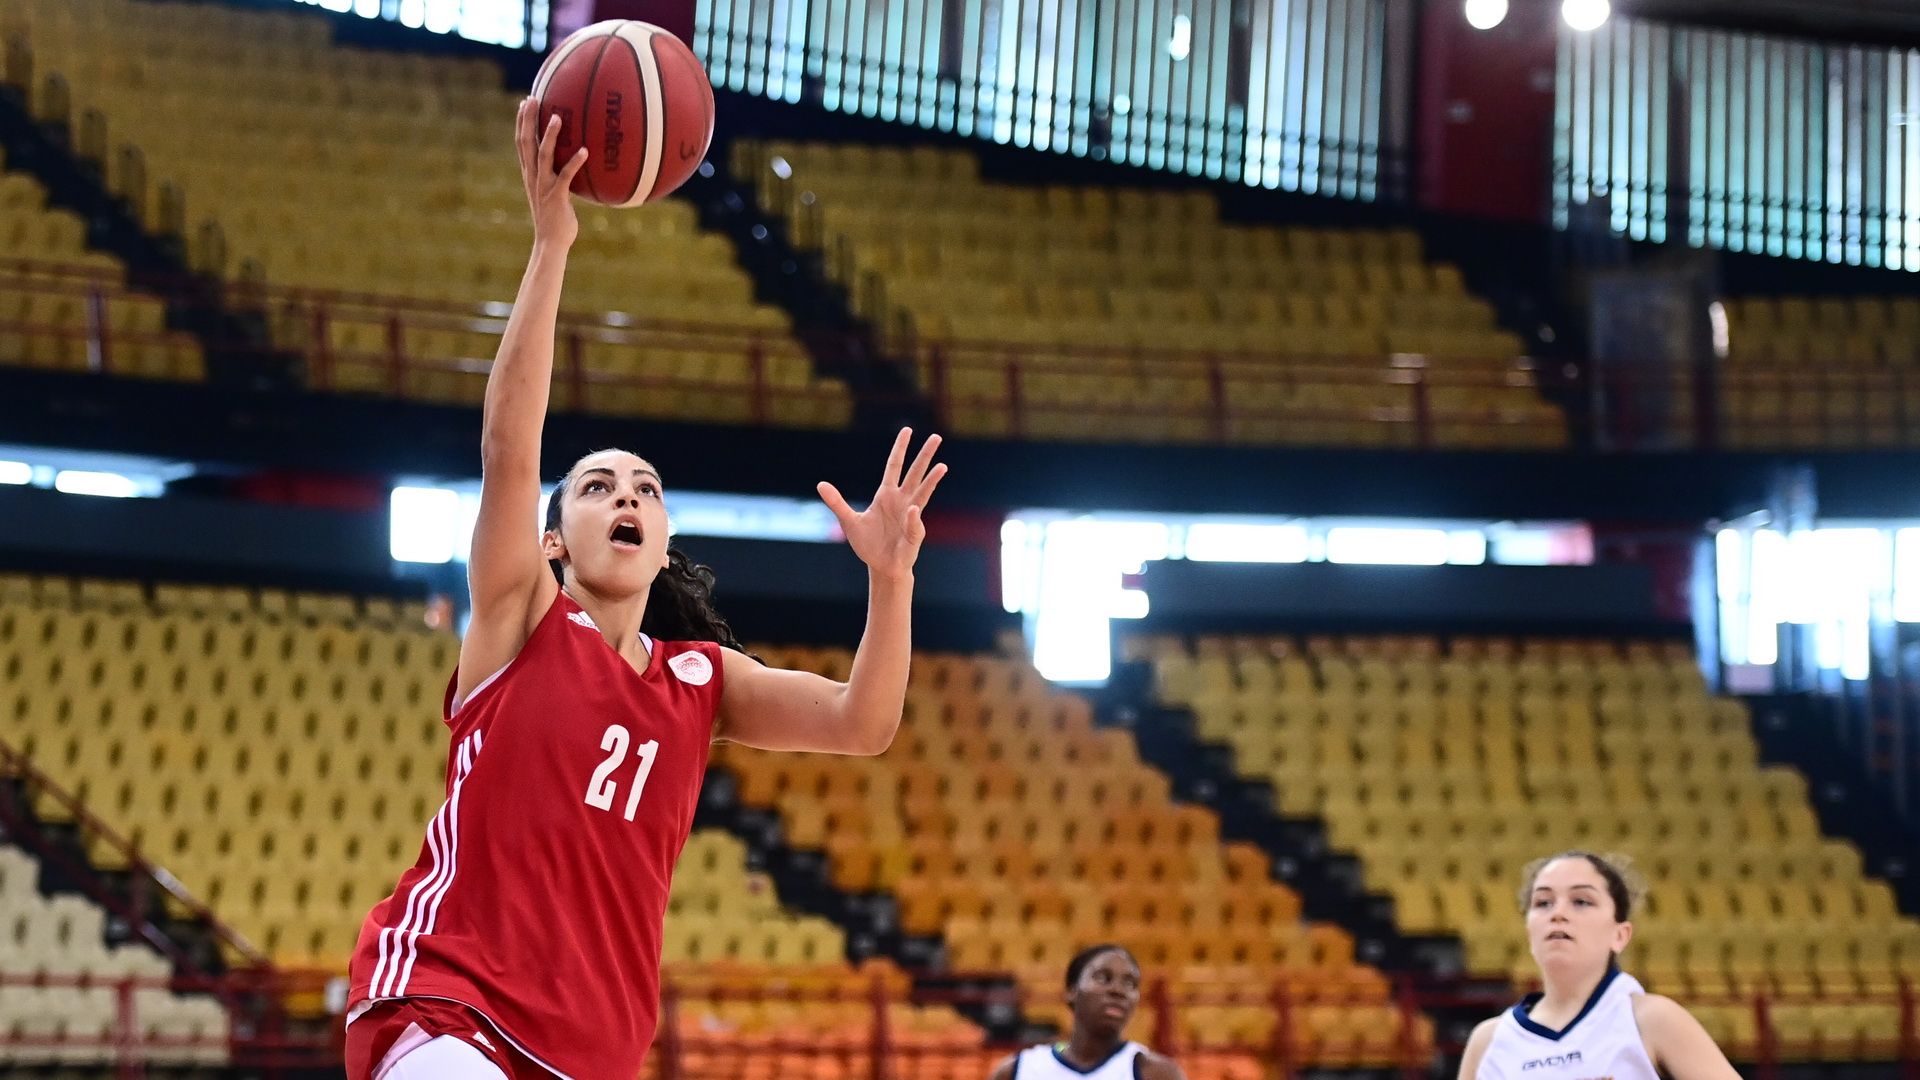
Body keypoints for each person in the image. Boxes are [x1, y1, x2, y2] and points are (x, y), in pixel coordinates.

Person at [342, 101, 948, 1080]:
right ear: (552, 541)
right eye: (596, 487)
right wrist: (552, 245)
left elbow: (862, 723)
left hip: (590, 1049)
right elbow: (508, 447)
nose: (626, 496)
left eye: (646, 489)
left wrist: (891, 581)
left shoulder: (699, 681)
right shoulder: (521, 616)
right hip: (450, 1004)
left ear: (664, 547)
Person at [1456, 852, 1741, 1080]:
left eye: (1581, 901)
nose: (1558, 913)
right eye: (1543, 902)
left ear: (1620, 935)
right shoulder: (1488, 1041)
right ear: (1529, 931)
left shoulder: (1653, 1019)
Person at [988, 945, 1187, 1080]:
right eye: (1103, 978)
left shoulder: (1157, 1073)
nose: (1118, 990)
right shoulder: (1017, 1071)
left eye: (1129, 983)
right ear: (1071, 991)